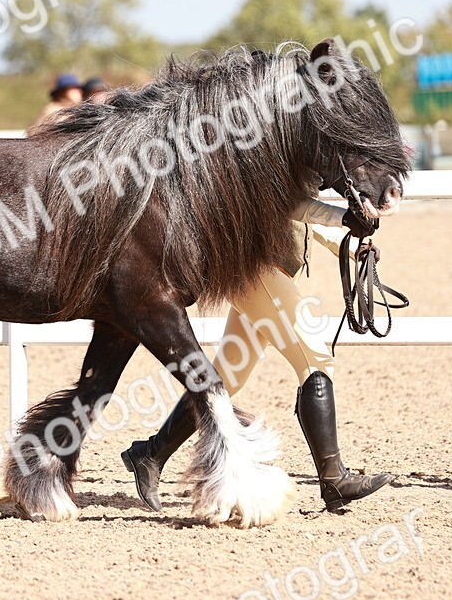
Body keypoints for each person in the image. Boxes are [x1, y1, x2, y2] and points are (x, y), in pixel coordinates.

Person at [121, 199, 394, 513]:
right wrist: (343, 219)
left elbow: (299, 213)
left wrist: (348, 247)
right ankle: (334, 478)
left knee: (226, 378)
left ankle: (151, 454)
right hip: (258, 273)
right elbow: (295, 203)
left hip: (260, 272)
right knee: (315, 359)